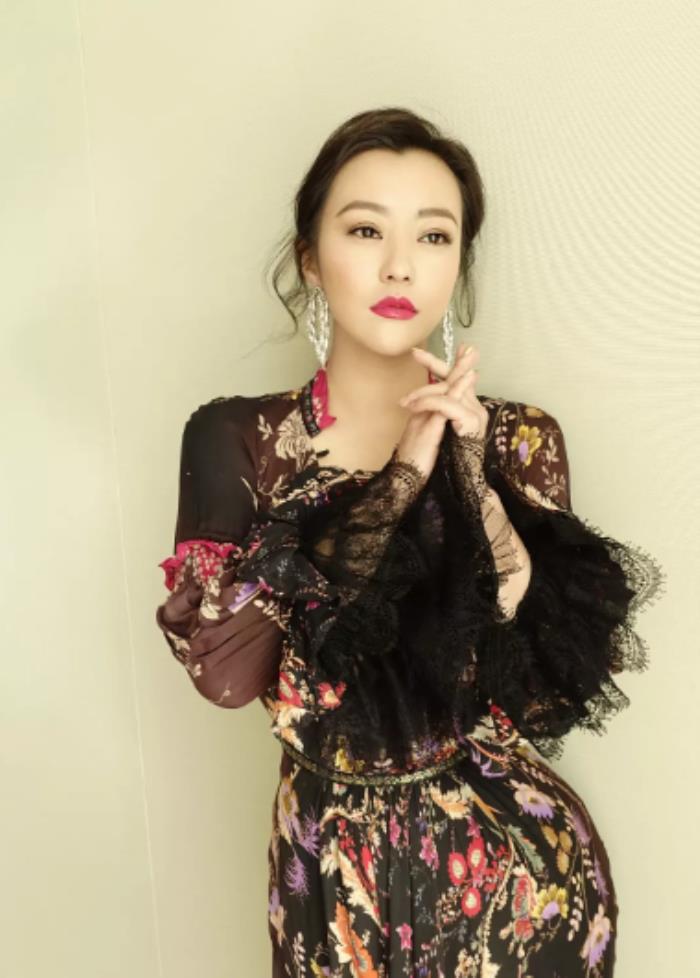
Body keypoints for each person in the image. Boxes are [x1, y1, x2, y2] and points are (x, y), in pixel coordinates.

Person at [155, 107, 665, 977]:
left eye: (434, 235)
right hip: (332, 883)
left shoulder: (518, 440)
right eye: (365, 230)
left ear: (459, 261)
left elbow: (545, 705)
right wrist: (399, 480)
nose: (400, 265)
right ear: (310, 257)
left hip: (523, 886)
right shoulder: (241, 439)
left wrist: (474, 486)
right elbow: (228, 677)